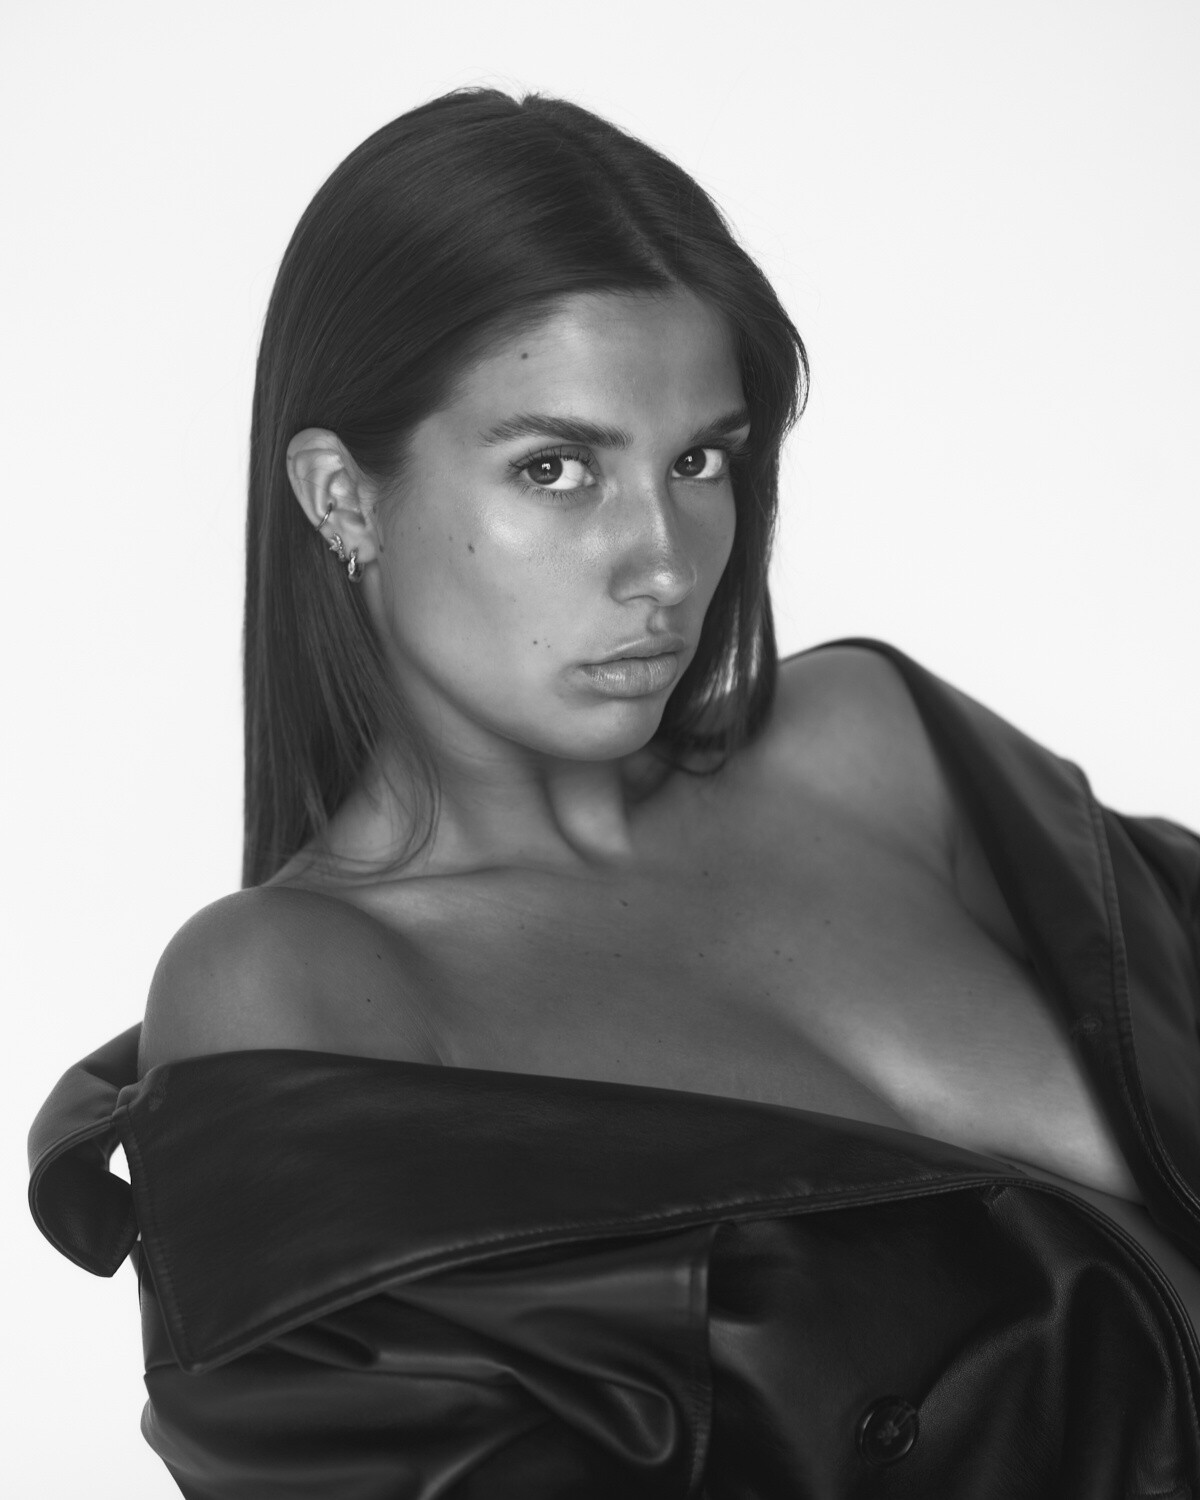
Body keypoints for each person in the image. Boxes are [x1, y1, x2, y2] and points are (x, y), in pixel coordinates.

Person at [28, 86, 1200, 1496]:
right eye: (557, 467)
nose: (664, 561)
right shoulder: (297, 988)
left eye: (699, 459)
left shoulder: (874, 745)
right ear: (343, 497)